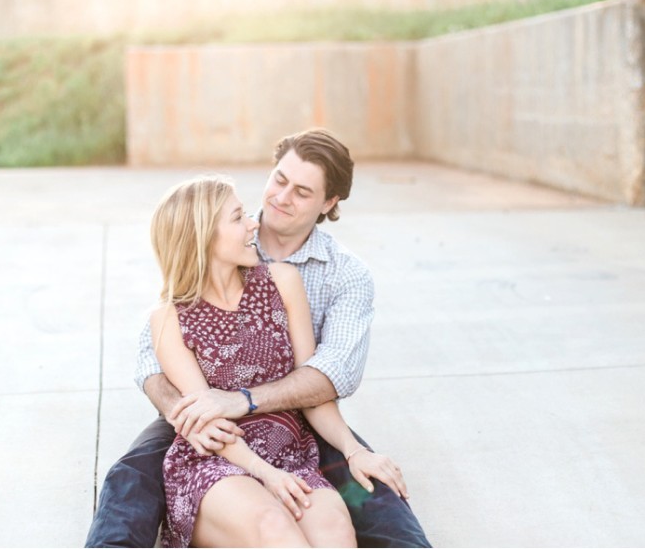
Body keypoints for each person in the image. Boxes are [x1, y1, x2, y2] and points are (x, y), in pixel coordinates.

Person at [86, 128, 431, 547]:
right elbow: (152, 357)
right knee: (132, 478)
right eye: (279, 180)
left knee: (372, 496)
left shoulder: (344, 274)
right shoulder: (223, 225)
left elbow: (327, 376)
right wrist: (185, 412)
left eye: (302, 192)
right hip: (206, 416)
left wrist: (247, 401)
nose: (280, 199)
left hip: (298, 416)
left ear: (328, 203)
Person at [147, 175, 407, 547]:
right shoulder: (169, 317)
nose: (254, 223)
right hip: (219, 461)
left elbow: (310, 390)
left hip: (292, 452)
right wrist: (266, 474)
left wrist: (355, 451)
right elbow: (210, 420)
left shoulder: (283, 281)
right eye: (238, 218)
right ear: (202, 235)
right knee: (275, 528)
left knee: (334, 530)